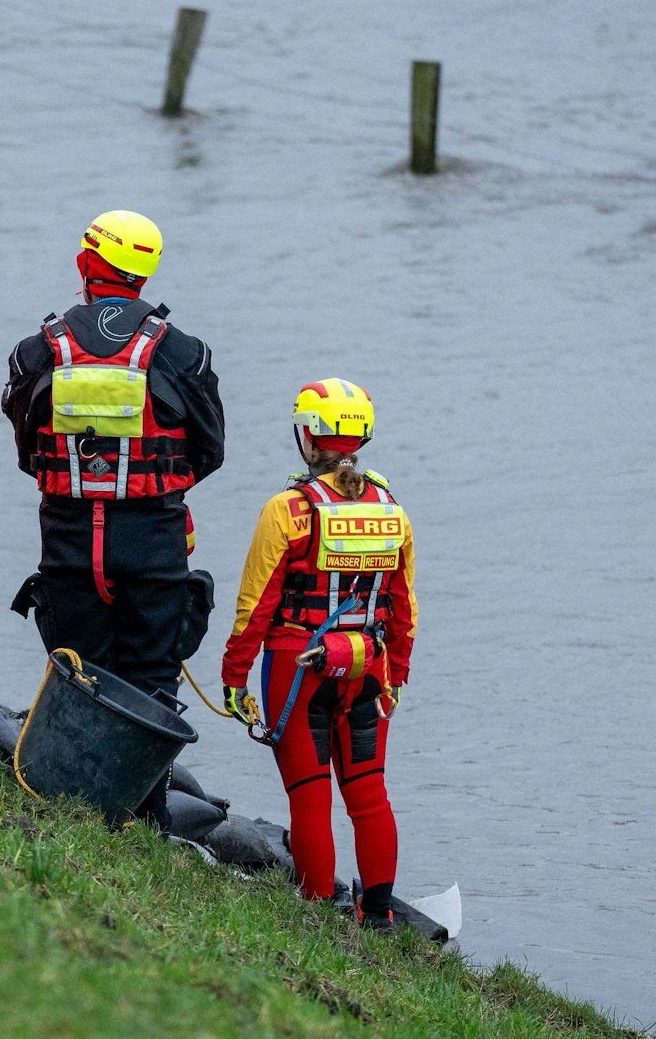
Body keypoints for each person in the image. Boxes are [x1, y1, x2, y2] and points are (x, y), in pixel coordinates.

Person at [0, 209, 224, 831]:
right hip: (152, 542)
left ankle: (75, 809)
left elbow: (26, 449)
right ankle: (145, 818)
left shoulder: (37, 349)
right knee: (152, 677)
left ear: (85, 263)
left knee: (79, 673)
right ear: (144, 275)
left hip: (68, 541)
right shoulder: (184, 352)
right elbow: (210, 450)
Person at [220, 380, 417, 933]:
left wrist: (234, 679)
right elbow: (404, 608)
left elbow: (255, 607)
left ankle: (318, 913)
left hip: (298, 667)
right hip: (369, 668)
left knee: (309, 799)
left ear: (307, 437)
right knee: (369, 796)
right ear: (363, 438)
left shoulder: (287, 510)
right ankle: (378, 916)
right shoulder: (392, 510)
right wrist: (396, 676)